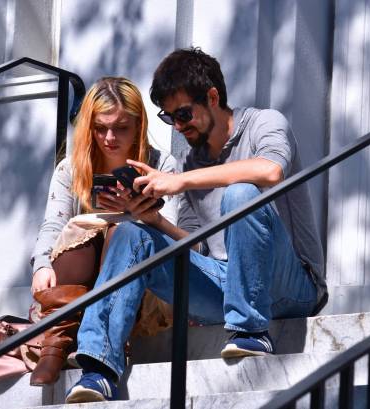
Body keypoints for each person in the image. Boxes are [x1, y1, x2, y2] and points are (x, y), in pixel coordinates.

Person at [64, 48, 327, 403]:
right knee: (132, 233)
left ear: (213, 97)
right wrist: (151, 219)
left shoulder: (265, 123)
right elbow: (197, 246)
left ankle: (252, 331)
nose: (179, 125)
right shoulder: (192, 163)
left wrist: (180, 182)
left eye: (184, 113)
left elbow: (271, 171)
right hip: (223, 283)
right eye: (170, 117)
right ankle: (99, 368)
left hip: (291, 285)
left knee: (240, 195)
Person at [28, 76, 178, 386]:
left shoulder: (162, 164)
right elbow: (52, 225)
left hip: (140, 287)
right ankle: (58, 340)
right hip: (80, 277)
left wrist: (143, 216)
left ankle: (94, 338)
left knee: (120, 233)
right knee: (77, 229)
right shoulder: (72, 167)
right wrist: (40, 265)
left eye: (121, 127)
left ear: (138, 125)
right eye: (100, 127)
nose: (109, 137)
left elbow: (174, 239)